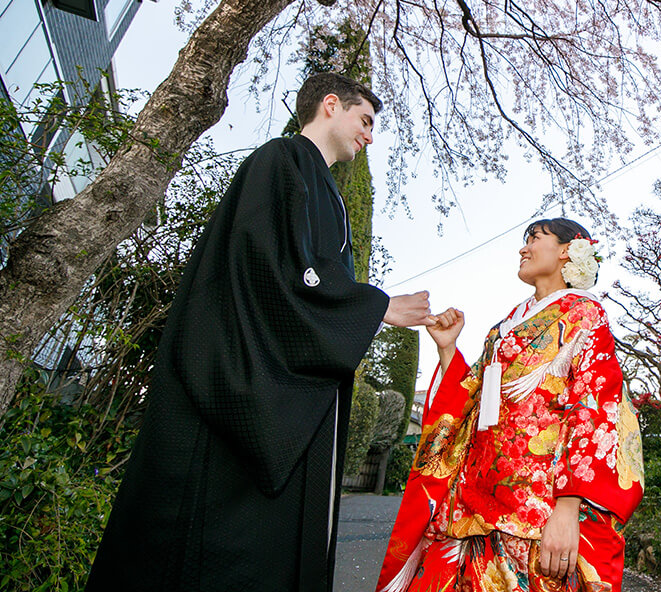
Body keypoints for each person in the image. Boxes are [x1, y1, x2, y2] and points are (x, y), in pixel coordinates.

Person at [86, 72, 437, 592]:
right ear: (331, 105)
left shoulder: (328, 192)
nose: (370, 135)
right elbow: (268, 272)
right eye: (365, 120)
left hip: (288, 387)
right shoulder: (280, 161)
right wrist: (376, 306)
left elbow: (306, 279)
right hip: (236, 380)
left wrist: (360, 307)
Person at [376, 218, 644, 592]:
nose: (524, 247)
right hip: (476, 501)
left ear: (567, 250)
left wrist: (568, 509)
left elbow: (593, 407)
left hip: (539, 506)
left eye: (535, 237)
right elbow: (469, 399)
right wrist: (448, 348)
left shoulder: (584, 314)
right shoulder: (504, 327)